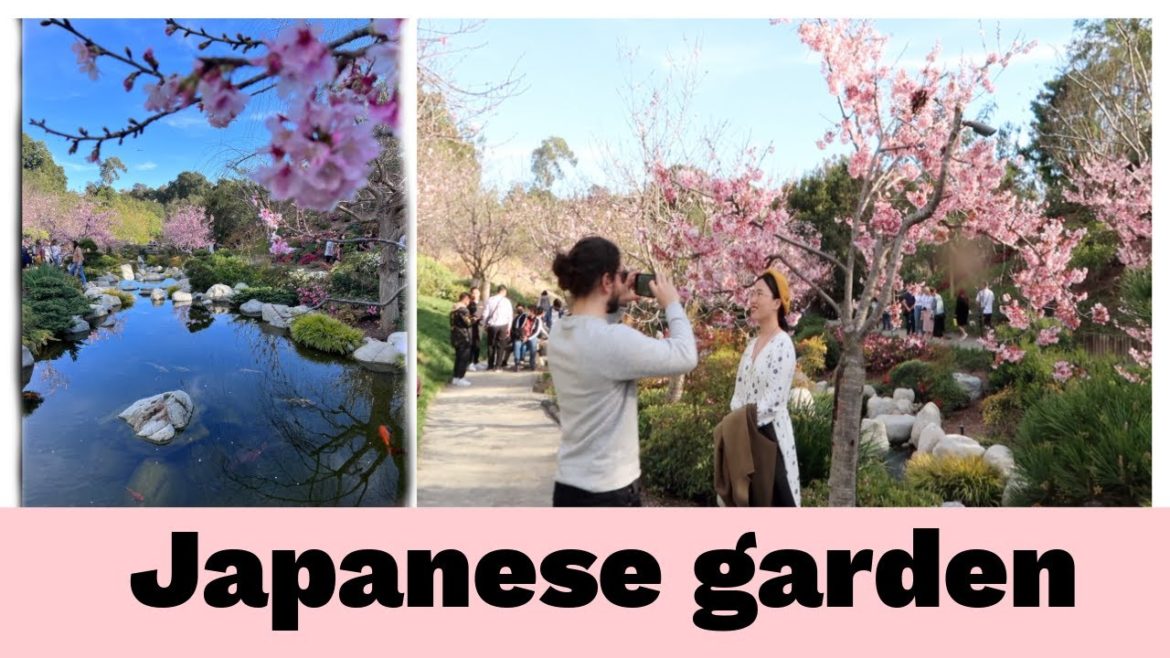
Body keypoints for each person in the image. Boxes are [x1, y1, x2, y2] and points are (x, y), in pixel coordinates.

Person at [547, 236, 697, 507]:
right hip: (609, 492)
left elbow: (595, 336)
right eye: (620, 276)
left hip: (569, 487)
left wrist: (616, 303)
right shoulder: (613, 340)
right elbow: (686, 355)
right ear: (606, 281)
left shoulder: (560, 332)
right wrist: (672, 304)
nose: (624, 280)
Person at [730, 269, 801, 506]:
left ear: (777, 303)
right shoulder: (751, 345)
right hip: (746, 435)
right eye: (752, 294)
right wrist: (735, 424)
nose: (752, 300)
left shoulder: (783, 344)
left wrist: (742, 421)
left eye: (759, 294)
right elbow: (738, 392)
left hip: (771, 439)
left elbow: (774, 400)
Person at [481, 285, 513, 370]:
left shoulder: (490, 300)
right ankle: (498, 366)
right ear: (504, 292)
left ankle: (490, 365)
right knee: (501, 346)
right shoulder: (507, 301)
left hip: (492, 325)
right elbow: (510, 316)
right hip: (503, 325)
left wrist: (484, 324)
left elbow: (485, 313)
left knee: (491, 345)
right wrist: (509, 328)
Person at [449, 293, 475, 387]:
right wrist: (474, 319)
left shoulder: (453, 309)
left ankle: (456, 377)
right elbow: (468, 323)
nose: (469, 302)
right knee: (463, 358)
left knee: (458, 358)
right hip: (463, 336)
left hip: (455, 335)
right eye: (468, 300)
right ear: (465, 299)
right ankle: (460, 377)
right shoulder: (463, 310)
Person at [512, 306, 546, 371]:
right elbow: (517, 328)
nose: (528, 312)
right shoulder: (522, 317)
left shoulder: (538, 320)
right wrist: (522, 336)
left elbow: (536, 332)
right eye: (528, 311)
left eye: (530, 311)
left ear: (534, 313)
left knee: (533, 344)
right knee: (517, 344)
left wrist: (528, 338)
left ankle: (532, 363)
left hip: (531, 337)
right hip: (521, 336)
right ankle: (517, 363)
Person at [467, 287, 484, 371]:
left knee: (478, 344)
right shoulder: (469, 303)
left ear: (479, 293)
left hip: (479, 326)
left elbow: (484, 313)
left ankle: (476, 361)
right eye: (473, 293)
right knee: (471, 344)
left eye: (477, 292)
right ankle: (470, 363)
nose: (475, 294)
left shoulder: (482, 303)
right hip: (471, 327)